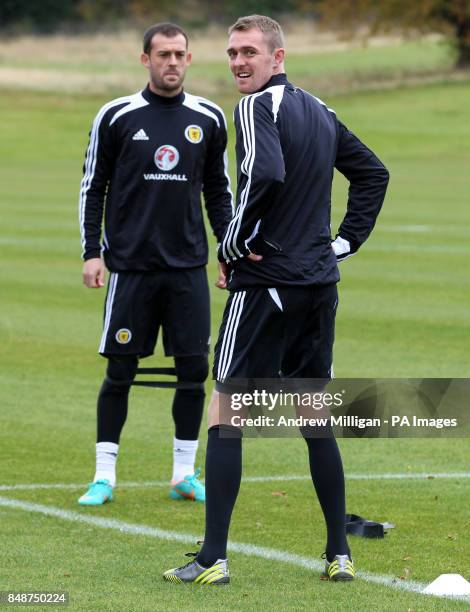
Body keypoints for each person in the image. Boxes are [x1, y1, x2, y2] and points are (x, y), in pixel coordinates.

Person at [164, 15, 389, 584]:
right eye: (232, 52)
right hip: (318, 285)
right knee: (315, 417)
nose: (239, 62)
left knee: (227, 415)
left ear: (278, 56)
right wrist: (342, 244)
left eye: (249, 52)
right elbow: (373, 174)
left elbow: (263, 171)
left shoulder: (256, 107)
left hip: (269, 285)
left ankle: (213, 558)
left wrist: (234, 245)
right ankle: (340, 552)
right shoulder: (321, 111)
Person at [77, 22, 233, 506]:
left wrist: (227, 254)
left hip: (187, 268)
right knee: (120, 371)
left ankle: (184, 473)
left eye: (180, 54)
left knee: (192, 371)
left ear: (189, 60)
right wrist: (91, 251)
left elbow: (218, 193)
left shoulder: (208, 117)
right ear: (145, 59)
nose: (171, 62)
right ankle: (104, 476)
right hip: (130, 268)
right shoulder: (116, 115)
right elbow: (93, 186)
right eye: (163, 54)